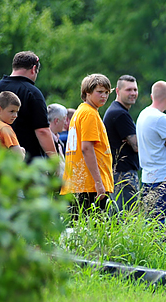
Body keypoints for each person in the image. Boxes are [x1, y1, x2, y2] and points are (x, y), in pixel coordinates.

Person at [0, 51, 57, 162]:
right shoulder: (33, 93)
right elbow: (42, 131)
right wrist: (55, 160)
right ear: (33, 68)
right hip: (26, 166)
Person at [136, 81, 166, 246]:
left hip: (147, 178)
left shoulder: (142, 115)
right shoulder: (161, 119)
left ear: (151, 96)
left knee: (152, 225)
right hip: (165, 178)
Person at [60, 74, 114, 217]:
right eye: (100, 92)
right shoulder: (89, 113)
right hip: (89, 184)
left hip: (78, 182)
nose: (104, 96)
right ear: (87, 92)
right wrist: (98, 182)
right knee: (96, 231)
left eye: (107, 92)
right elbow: (87, 148)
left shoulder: (81, 111)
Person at [104, 75, 140, 210]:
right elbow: (137, 147)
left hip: (118, 172)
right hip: (123, 174)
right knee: (129, 216)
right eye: (129, 90)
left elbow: (134, 142)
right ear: (118, 91)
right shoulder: (120, 114)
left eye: (135, 90)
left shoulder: (118, 111)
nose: (133, 93)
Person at [0, 91, 25, 159]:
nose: (15, 115)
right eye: (12, 111)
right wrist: (22, 151)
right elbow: (19, 156)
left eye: (17, 112)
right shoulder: (5, 128)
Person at [47, 103, 68, 176]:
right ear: (56, 121)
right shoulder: (46, 141)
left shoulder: (57, 140)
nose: (66, 123)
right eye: (64, 119)